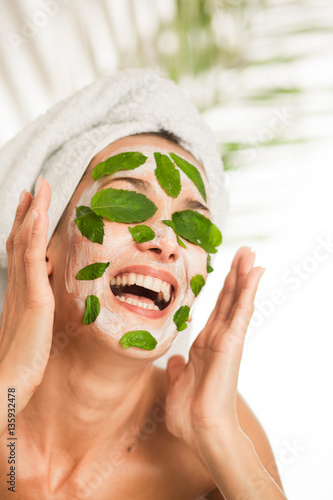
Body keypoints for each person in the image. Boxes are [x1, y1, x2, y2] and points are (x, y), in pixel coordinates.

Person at [0, 70, 287, 499]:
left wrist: (220, 439)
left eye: (194, 224)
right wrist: (9, 388)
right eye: (127, 200)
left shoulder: (212, 445)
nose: (167, 241)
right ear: (42, 244)